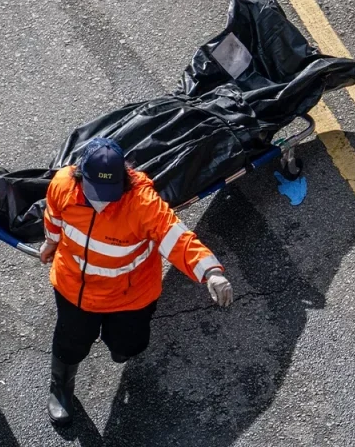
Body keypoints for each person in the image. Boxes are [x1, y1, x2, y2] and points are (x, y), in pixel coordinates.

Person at [39, 137, 233, 426]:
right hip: (75, 290)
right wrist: (51, 242)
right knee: (70, 344)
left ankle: (120, 347)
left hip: (129, 296)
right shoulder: (63, 184)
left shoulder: (142, 203)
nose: (103, 202)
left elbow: (176, 237)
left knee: (129, 345)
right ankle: (61, 387)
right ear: (80, 177)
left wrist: (210, 271)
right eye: (96, 192)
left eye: (109, 193)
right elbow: (53, 216)